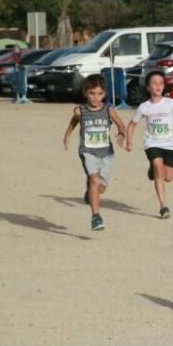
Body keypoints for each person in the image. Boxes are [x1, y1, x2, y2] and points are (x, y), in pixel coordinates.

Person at [62, 74, 127, 231]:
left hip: (106, 153)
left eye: (99, 94)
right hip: (88, 151)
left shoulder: (108, 109)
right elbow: (74, 121)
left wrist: (121, 134)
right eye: (92, 93)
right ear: (85, 92)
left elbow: (120, 125)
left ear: (104, 94)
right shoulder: (80, 111)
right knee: (94, 179)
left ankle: (89, 191)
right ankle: (96, 217)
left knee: (100, 188)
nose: (96, 97)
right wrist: (67, 135)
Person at [124, 71, 173, 218]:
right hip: (152, 143)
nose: (158, 86)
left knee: (168, 177)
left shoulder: (171, 104)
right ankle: (163, 207)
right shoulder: (144, 107)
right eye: (154, 83)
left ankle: (153, 169)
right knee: (159, 170)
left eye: (161, 83)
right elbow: (131, 124)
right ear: (148, 87)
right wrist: (129, 141)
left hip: (171, 145)